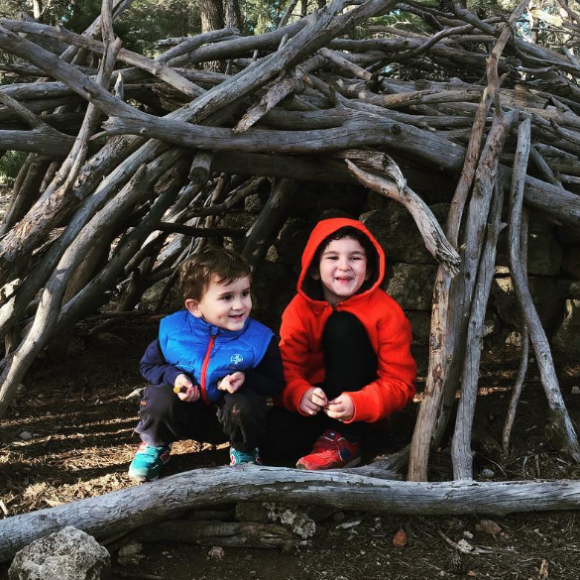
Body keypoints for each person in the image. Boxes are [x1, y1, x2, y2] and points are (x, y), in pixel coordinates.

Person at [263, 217, 416, 470]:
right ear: (313, 269)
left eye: (355, 258)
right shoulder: (298, 310)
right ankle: (326, 441)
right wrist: (300, 394)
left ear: (368, 269)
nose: (344, 266)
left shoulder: (386, 311)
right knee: (272, 442)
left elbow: (400, 383)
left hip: (361, 407)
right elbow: (287, 368)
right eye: (332, 257)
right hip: (318, 404)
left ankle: (350, 440)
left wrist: (360, 403)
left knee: (342, 324)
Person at [128, 247, 285, 482]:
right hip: (184, 411)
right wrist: (175, 378)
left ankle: (244, 449)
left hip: (227, 416)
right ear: (195, 306)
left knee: (246, 403)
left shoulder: (259, 339)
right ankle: (155, 444)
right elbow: (149, 366)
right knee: (158, 398)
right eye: (227, 297)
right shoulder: (174, 333)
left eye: (245, 293)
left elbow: (275, 380)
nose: (240, 305)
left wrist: (246, 379)